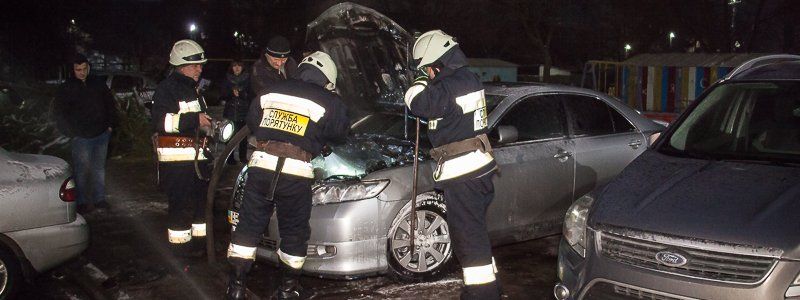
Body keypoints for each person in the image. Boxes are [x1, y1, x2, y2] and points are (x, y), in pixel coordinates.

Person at [225, 51, 349, 300]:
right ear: (327, 78)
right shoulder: (328, 98)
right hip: (295, 172)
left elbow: (253, 120)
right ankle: (287, 289)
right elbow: (341, 133)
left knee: (248, 225)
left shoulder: (272, 89)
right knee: (294, 231)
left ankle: (236, 287)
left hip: (260, 166)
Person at [403, 30, 500, 299]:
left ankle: (483, 294)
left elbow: (419, 103)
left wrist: (418, 82)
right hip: (472, 172)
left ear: (436, 64)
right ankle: (486, 289)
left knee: (470, 241)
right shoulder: (463, 81)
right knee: (474, 237)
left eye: (428, 70)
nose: (429, 76)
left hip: (465, 173)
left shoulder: (455, 83)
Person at [151, 39, 212, 258]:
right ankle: (179, 253)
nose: (200, 69)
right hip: (177, 163)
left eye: (201, 65)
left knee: (200, 207)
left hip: (197, 160)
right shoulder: (167, 89)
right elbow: (161, 123)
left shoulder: (193, 90)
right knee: (180, 209)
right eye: (196, 65)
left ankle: (199, 248)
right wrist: (194, 119)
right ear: (182, 65)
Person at [53, 54, 118, 214]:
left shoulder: (98, 84)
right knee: (81, 171)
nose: (81, 72)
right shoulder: (67, 87)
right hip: (80, 137)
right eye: (78, 70)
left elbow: (110, 105)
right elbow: (59, 112)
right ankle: (81, 202)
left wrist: (110, 126)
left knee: (98, 169)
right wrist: (70, 132)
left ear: (88, 67)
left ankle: (99, 199)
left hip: (101, 134)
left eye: (84, 69)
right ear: (73, 70)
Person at [221, 59, 252, 165]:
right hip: (230, 111)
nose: (237, 68)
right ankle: (229, 158)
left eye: (239, 65)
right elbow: (222, 94)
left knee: (243, 137)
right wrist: (231, 93)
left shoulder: (248, 78)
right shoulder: (227, 79)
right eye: (234, 65)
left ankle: (243, 157)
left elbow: (252, 95)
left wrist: (242, 94)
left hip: (244, 111)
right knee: (229, 136)